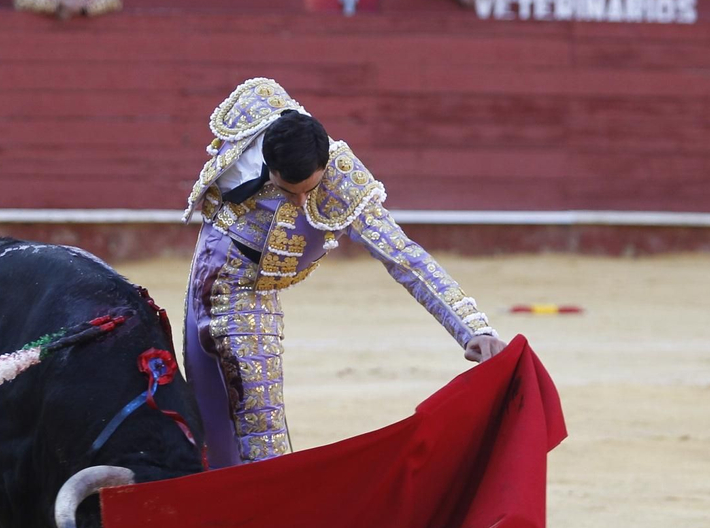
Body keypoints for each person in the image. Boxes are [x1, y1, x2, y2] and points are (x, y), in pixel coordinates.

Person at [181, 80, 505, 466]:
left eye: (310, 189)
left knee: (261, 430)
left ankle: (263, 520)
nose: (302, 201)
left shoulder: (344, 182)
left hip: (248, 291)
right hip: (204, 268)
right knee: (205, 416)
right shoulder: (253, 113)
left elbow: (404, 257)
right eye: (289, 191)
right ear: (270, 165)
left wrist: (472, 328)